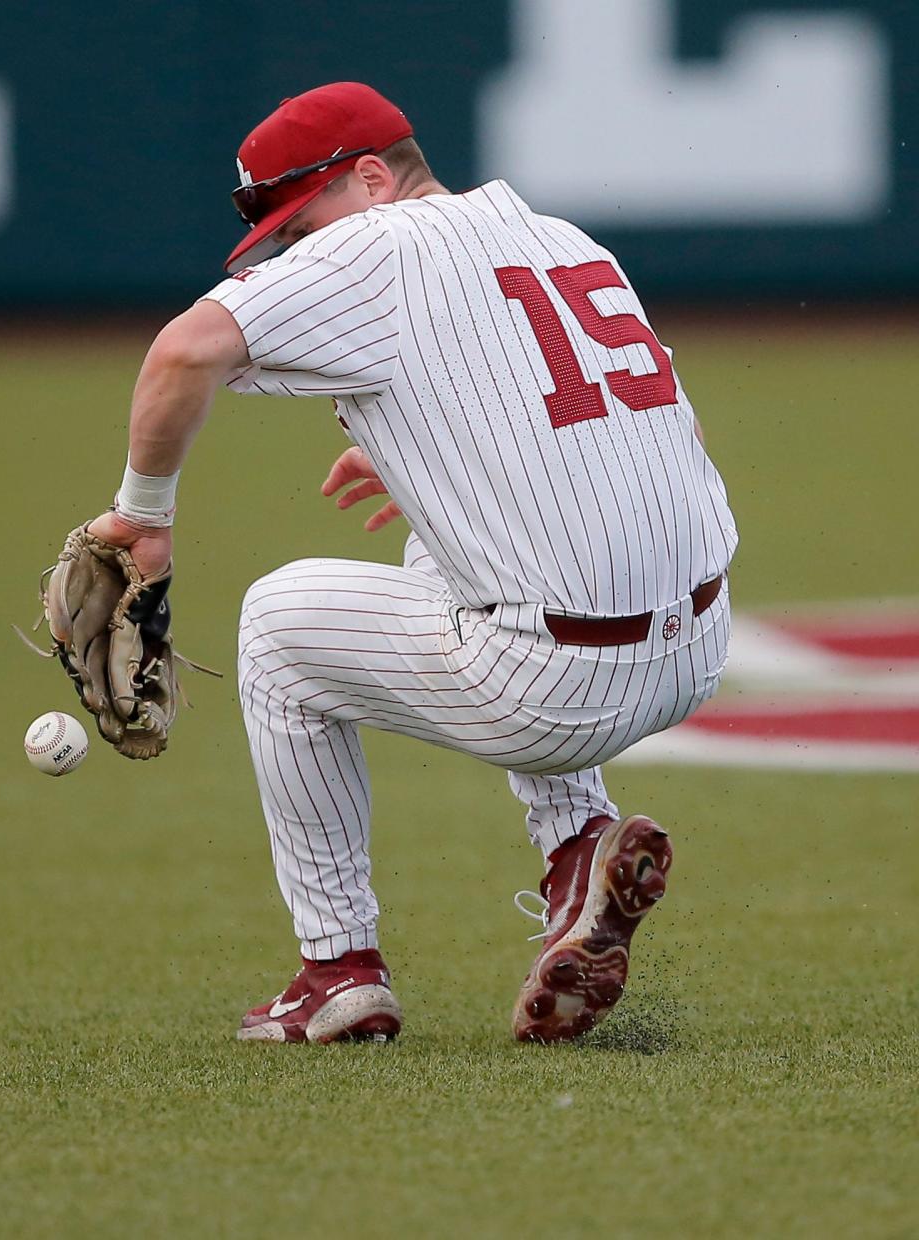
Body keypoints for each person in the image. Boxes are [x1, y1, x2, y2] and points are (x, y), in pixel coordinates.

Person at [85, 81, 737, 1044]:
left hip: (560, 684)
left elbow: (183, 355)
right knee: (430, 545)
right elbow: (617, 415)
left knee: (274, 625)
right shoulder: (561, 237)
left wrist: (142, 515)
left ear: (371, 177)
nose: (296, 252)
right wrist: (443, 457)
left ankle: (336, 972)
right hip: (700, 644)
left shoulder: (376, 244)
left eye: (300, 224)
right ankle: (576, 856)